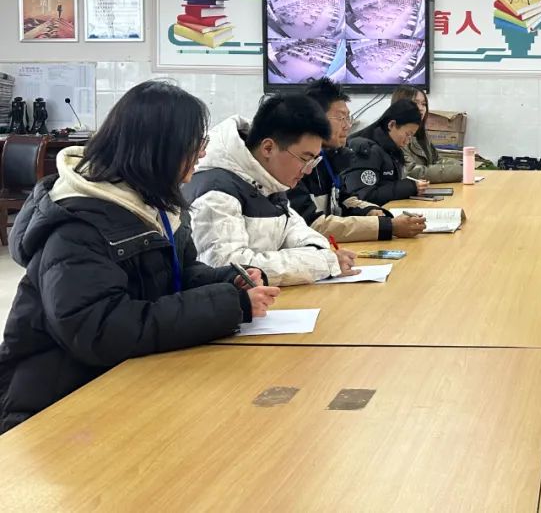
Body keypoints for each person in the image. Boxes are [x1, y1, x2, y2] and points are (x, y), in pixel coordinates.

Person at [0, 81, 279, 432]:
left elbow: (175, 274)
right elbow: (100, 329)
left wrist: (228, 280)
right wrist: (228, 305)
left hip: (126, 378)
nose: (202, 154)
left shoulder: (154, 203)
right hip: (57, 404)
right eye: (194, 144)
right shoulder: (78, 222)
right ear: (158, 149)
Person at [184, 94, 357, 285]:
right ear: (268, 148)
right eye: (305, 159)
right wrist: (322, 262)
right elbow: (229, 267)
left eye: (314, 161)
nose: (308, 170)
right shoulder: (216, 192)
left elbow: (298, 232)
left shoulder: (267, 179)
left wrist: (322, 256)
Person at [288, 79, 426, 241]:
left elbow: (345, 200)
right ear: (316, 118)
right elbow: (312, 225)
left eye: (348, 118)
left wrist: (371, 212)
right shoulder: (293, 165)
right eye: (341, 118)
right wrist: (388, 226)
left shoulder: (329, 157)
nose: (347, 126)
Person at [346, 100, 428, 205]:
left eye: (411, 136)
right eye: (407, 134)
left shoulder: (390, 150)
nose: (408, 141)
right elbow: (365, 196)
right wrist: (410, 187)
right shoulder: (367, 150)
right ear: (391, 125)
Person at [391, 86, 464, 183]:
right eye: (415, 103)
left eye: (424, 104)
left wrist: (462, 165)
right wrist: (459, 172)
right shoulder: (394, 134)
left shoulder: (420, 132)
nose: (421, 108)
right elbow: (411, 172)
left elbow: (436, 160)